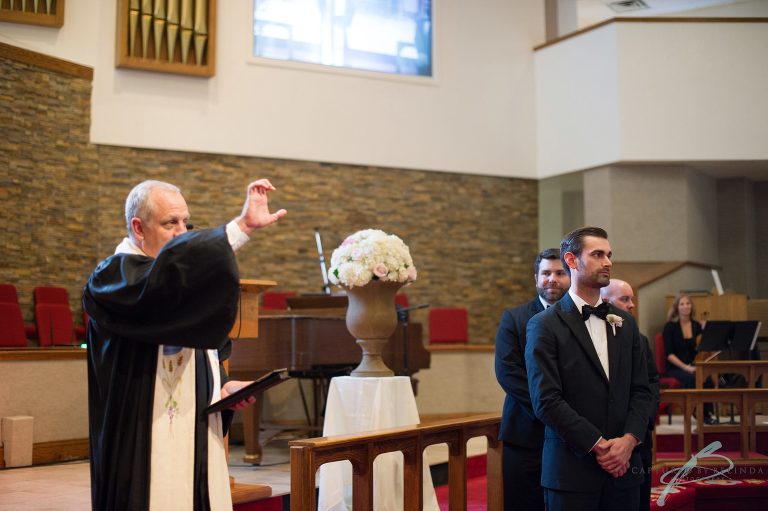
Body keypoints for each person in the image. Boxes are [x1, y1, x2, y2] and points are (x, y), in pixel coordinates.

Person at [84, 179, 287, 511]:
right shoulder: (113, 277)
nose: (182, 232)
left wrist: (223, 387)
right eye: (170, 223)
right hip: (140, 441)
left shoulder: (183, 287)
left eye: (185, 223)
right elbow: (163, 284)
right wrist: (241, 228)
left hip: (195, 434)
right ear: (138, 227)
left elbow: (204, 350)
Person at [525, 227, 653, 511]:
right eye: (597, 254)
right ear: (571, 260)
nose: (607, 262)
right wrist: (598, 445)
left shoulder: (626, 323)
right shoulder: (544, 325)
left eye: (609, 255)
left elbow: (642, 390)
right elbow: (546, 400)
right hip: (572, 471)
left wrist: (628, 442)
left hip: (625, 469)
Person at [495, 248, 570, 511]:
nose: (552, 279)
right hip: (526, 430)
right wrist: (550, 409)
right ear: (535, 278)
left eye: (560, 273)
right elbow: (507, 372)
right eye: (546, 273)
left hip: (572, 434)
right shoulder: (514, 318)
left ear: (570, 275)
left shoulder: (581, 319)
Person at [601, 279, 660, 511]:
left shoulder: (640, 338)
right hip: (605, 440)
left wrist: (639, 426)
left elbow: (652, 383)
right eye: (625, 299)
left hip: (638, 436)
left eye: (632, 298)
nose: (632, 304)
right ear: (606, 302)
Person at [663, 293, 715, 423]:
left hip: (694, 365)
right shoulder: (670, 327)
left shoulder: (697, 325)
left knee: (706, 378)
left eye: (688, 303)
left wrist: (705, 330)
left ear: (691, 307)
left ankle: (706, 412)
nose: (686, 306)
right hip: (675, 367)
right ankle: (698, 412)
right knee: (693, 377)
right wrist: (686, 368)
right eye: (682, 304)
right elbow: (669, 354)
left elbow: (703, 347)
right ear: (676, 308)